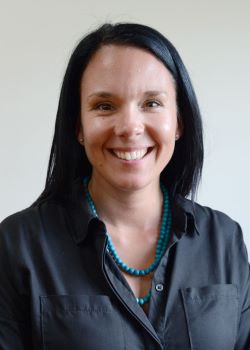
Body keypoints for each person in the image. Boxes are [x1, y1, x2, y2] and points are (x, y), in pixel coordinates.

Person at [0, 23, 249, 350]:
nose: (130, 127)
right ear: (78, 126)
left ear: (179, 122)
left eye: (152, 103)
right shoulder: (18, 245)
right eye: (104, 105)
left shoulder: (224, 239)